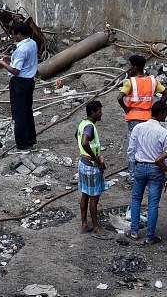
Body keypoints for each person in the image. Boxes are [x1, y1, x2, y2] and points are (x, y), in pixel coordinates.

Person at [127, 101, 167, 243]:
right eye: (165, 112)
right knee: (153, 203)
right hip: (156, 169)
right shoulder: (163, 132)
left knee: (136, 199)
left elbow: (131, 150)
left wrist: (133, 166)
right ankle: (150, 236)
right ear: (160, 113)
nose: (166, 115)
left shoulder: (138, 128)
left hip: (140, 166)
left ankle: (134, 231)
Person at [119, 53, 166, 179]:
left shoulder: (130, 82)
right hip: (149, 117)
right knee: (148, 144)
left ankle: (133, 176)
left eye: (130, 66)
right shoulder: (152, 80)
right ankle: (149, 170)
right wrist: (159, 106)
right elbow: (166, 94)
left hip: (133, 117)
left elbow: (119, 97)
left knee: (133, 146)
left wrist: (126, 109)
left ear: (134, 67)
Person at [0, 18, 38, 149]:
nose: (12, 36)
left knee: (19, 114)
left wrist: (3, 63)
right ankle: (30, 139)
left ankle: (22, 144)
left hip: (19, 83)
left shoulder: (21, 49)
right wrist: (10, 57)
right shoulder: (32, 43)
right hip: (29, 82)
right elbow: (24, 60)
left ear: (19, 34)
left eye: (14, 34)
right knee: (27, 111)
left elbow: (16, 71)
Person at [76, 99, 106, 235]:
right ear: (93, 112)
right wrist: (96, 159)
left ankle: (84, 224)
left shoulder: (82, 123)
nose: (101, 114)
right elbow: (84, 142)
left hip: (82, 163)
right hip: (91, 166)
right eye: (99, 111)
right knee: (94, 197)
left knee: (85, 195)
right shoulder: (90, 127)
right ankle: (95, 226)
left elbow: (76, 135)